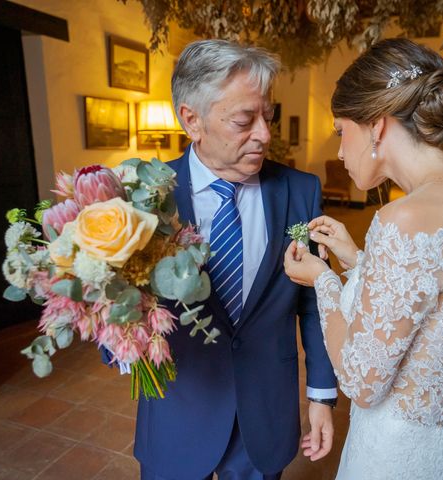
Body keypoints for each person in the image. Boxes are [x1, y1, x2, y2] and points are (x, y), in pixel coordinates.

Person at [284, 38, 443, 480]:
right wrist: (357, 259)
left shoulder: (404, 217)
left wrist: (323, 280)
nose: (339, 152)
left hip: (393, 456)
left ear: (376, 126)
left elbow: (360, 381)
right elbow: (436, 308)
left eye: (340, 131)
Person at [135, 40, 338, 480]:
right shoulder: (146, 200)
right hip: (177, 414)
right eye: (244, 120)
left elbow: (316, 300)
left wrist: (321, 394)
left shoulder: (300, 193)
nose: (264, 134)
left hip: (263, 416)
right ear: (192, 119)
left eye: (269, 116)